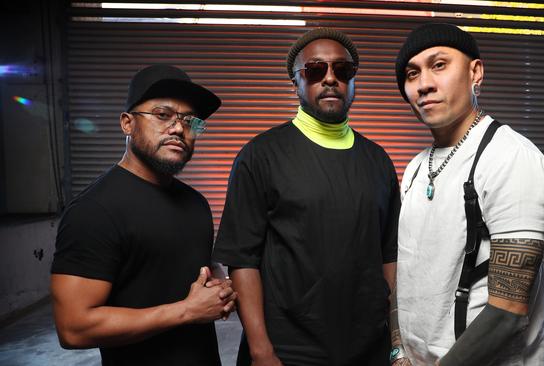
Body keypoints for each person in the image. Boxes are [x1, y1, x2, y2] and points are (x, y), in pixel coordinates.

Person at [212, 28, 400, 366]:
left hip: (368, 349)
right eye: (315, 70)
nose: (330, 79)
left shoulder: (378, 160)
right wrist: (261, 351)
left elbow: (389, 254)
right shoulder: (261, 155)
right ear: (296, 82)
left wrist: (391, 337)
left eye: (342, 71)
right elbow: (243, 259)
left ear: (353, 81)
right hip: (288, 351)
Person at [389, 23, 544, 366]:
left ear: (475, 72)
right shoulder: (417, 167)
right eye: (412, 74)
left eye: (439, 65)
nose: (424, 85)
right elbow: (403, 275)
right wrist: (397, 351)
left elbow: (508, 310)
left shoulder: (511, 159)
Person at [51, 64, 236, 366]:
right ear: (127, 123)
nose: (179, 128)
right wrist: (188, 311)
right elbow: (74, 328)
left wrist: (218, 284)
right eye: (162, 115)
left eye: (190, 121)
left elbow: (185, 266)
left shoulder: (196, 204)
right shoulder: (94, 211)